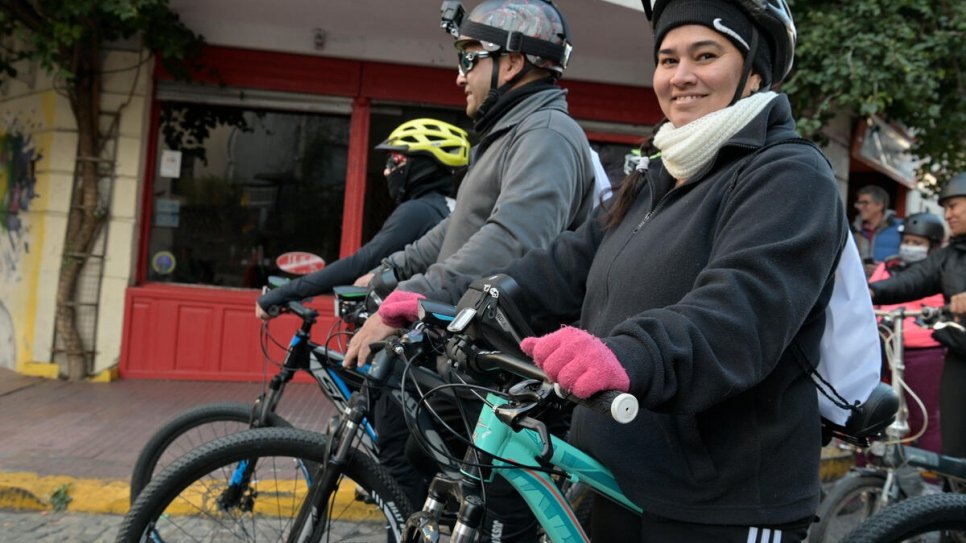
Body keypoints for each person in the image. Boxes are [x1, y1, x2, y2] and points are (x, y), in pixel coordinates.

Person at [348, 0, 853, 540]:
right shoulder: (663, 172)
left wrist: (627, 353)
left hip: (721, 501)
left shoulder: (789, 174)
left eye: (705, 55)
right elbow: (563, 265)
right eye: (667, 59)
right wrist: (453, 305)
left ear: (754, 70)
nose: (681, 76)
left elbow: (741, 310)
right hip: (616, 475)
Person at [347, 1, 597, 539]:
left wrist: (407, 301)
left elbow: (513, 241)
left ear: (510, 63)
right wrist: (392, 272)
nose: (458, 74)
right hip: (482, 365)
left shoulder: (545, 134)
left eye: (468, 57)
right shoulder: (509, 134)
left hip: (519, 375)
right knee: (425, 462)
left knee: (502, 519)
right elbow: (457, 229)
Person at [253, 118, 470, 318]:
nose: (387, 172)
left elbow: (362, 262)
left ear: (422, 165)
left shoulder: (418, 210)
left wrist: (283, 294)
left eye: (395, 160)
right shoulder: (452, 206)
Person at [870, 173, 966, 461]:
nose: (947, 214)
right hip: (960, 355)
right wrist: (867, 292)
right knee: (954, 448)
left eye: (954, 206)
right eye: (945, 207)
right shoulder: (951, 255)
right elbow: (913, 279)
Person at [868, 212, 947, 453]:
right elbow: (876, 296)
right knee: (872, 411)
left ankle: (931, 478)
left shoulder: (937, 270)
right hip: (885, 346)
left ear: (932, 245)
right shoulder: (888, 265)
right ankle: (869, 471)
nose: (910, 247)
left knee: (924, 417)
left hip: (923, 352)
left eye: (918, 243)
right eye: (907, 241)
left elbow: (939, 306)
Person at [853, 184, 903, 278]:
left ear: (880, 205)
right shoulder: (853, 230)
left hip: (889, 287)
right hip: (861, 288)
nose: (859, 207)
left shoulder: (900, 229)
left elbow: (909, 264)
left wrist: (884, 271)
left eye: (865, 203)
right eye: (859, 203)